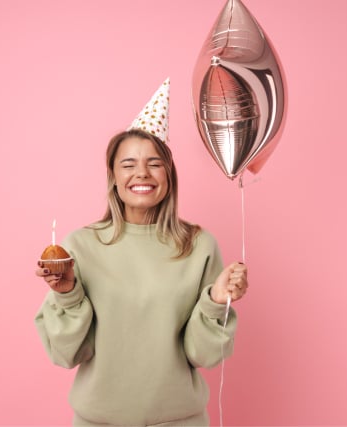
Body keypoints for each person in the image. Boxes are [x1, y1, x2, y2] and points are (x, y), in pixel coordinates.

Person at [34, 79, 248, 426]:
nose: (142, 174)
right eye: (128, 164)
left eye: (154, 163)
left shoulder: (199, 245)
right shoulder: (79, 247)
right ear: (114, 177)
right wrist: (68, 295)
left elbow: (204, 355)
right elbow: (66, 354)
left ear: (169, 174)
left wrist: (214, 300)